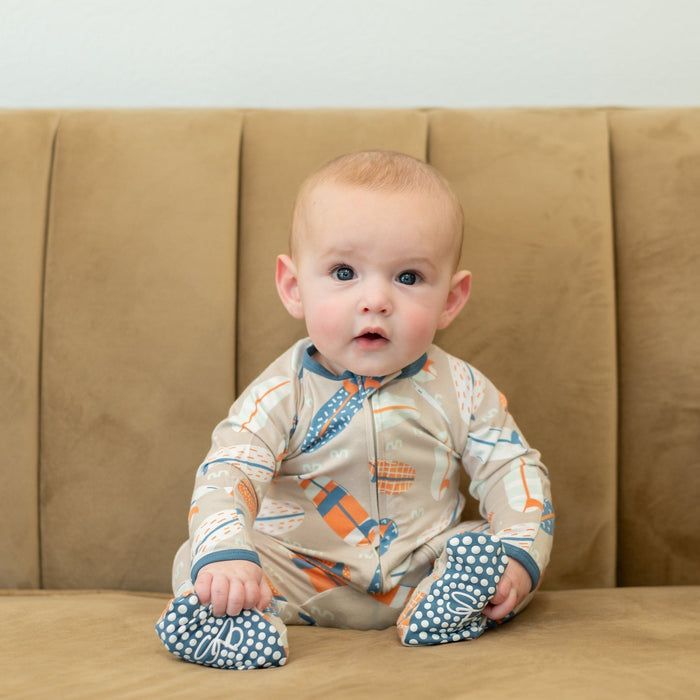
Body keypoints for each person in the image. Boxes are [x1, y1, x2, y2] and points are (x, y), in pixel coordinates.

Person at [156, 151, 554, 670]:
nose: (376, 300)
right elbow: (231, 471)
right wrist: (229, 553)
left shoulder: (461, 388)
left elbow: (511, 468)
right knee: (201, 557)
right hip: (300, 573)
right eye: (344, 272)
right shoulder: (282, 391)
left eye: (408, 278)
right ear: (294, 286)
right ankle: (235, 621)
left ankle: (454, 604)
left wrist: (522, 556)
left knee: (493, 549)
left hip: (422, 567)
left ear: (450, 301)